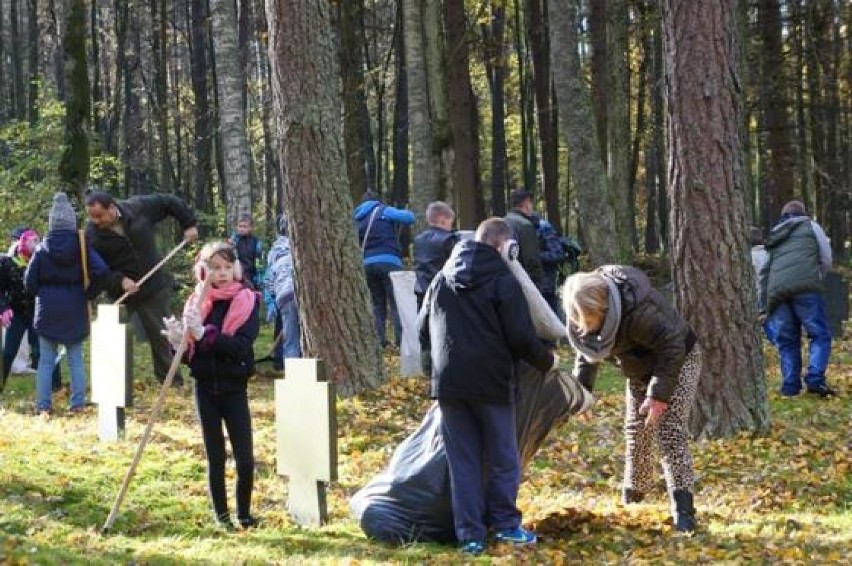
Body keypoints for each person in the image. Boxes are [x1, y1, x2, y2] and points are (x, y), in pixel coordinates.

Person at [418, 217, 557, 555]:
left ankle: (470, 536)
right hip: (493, 382)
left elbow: (423, 329)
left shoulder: (441, 279)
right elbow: (521, 336)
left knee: (462, 461)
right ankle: (506, 525)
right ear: (505, 246)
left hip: (449, 384)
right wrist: (547, 361)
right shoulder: (502, 281)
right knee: (502, 458)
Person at [562, 265, 701, 532]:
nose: (582, 327)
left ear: (603, 311)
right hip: (638, 366)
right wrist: (583, 394)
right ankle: (634, 495)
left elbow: (672, 347)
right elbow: (587, 353)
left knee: (669, 431)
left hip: (679, 358)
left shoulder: (639, 313)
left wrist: (658, 396)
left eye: (588, 321)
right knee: (636, 430)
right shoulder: (584, 317)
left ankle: (684, 510)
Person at [163, 241, 260, 530]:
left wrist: (206, 333)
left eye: (228, 267)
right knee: (215, 456)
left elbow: (241, 347)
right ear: (203, 272)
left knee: (244, 458)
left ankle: (244, 513)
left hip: (234, 388)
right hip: (205, 389)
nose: (223, 273)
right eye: (215, 268)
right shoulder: (195, 304)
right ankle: (221, 515)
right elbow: (190, 357)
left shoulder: (247, 301)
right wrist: (178, 340)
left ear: (237, 269)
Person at [85, 191, 198, 387]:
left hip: (153, 285)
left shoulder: (138, 208)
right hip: (121, 294)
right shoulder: (91, 236)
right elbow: (96, 269)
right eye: (92, 217)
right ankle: (112, 386)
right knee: (113, 338)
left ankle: (171, 382)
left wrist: (188, 224)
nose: (96, 221)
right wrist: (119, 281)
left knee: (161, 335)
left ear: (112, 207)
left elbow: (168, 202)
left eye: (99, 215)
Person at [25, 193, 109, 415]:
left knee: (45, 361)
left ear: (51, 223)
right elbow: (102, 271)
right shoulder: (82, 246)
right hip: (75, 307)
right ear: (72, 222)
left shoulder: (42, 249)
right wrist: (89, 293)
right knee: (75, 359)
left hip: (48, 310)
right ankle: (78, 404)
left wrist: (41, 294)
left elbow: (28, 281)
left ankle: (44, 406)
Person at [758, 200, 835, 398]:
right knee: (819, 334)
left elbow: (764, 270)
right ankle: (815, 379)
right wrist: (816, 276)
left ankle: (790, 387)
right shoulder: (811, 226)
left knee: (787, 340)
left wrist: (763, 302)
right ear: (803, 213)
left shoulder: (775, 233)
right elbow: (826, 257)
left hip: (778, 292)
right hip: (806, 288)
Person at [0, 229, 61, 392]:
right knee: (8, 352)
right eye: (32, 241)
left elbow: (51, 284)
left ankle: (56, 386)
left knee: (44, 350)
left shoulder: (41, 261)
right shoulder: (7, 263)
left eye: (37, 240)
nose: (35, 244)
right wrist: (3, 308)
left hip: (37, 313)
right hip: (17, 314)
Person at [353, 192, 414, 349]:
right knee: (397, 302)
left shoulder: (356, 217)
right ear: (376, 201)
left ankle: (379, 341)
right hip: (389, 262)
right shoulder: (383, 210)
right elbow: (409, 218)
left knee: (377, 304)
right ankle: (402, 341)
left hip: (366, 265)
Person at [265, 215, 301, 365]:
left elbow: (269, 278)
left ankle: (293, 371)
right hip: (302, 294)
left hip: (284, 296)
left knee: (291, 335)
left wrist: (271, 300)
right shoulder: (305, 245)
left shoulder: (273, 251)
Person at [413, 201, 459, 310]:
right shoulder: (450, 240)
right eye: (450, 222)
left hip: (421, 290)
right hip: (443, 293)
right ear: (443, 219)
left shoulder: (418, 240)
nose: (450, 226)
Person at [503, 189, 543, 290]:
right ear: (526, 203)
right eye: (531, 202)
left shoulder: (501, 222)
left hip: (504, 281)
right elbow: (531, 260)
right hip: (523, 283)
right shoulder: (525, 225)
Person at [536, 217, 566, 320]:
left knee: (553, 321)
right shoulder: (511, 224)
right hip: (532, 286)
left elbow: (558, 254)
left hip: (546, 287)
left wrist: (535, 255)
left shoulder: (543, 226)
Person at [230, 215, 265, 290]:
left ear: (250, 228)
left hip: (252, 277)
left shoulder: (256, 242)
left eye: (244, 227)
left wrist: (259, 280)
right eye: (240, 226)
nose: (241, 229)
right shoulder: (234, 241)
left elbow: (259, 262)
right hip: (238, 276)